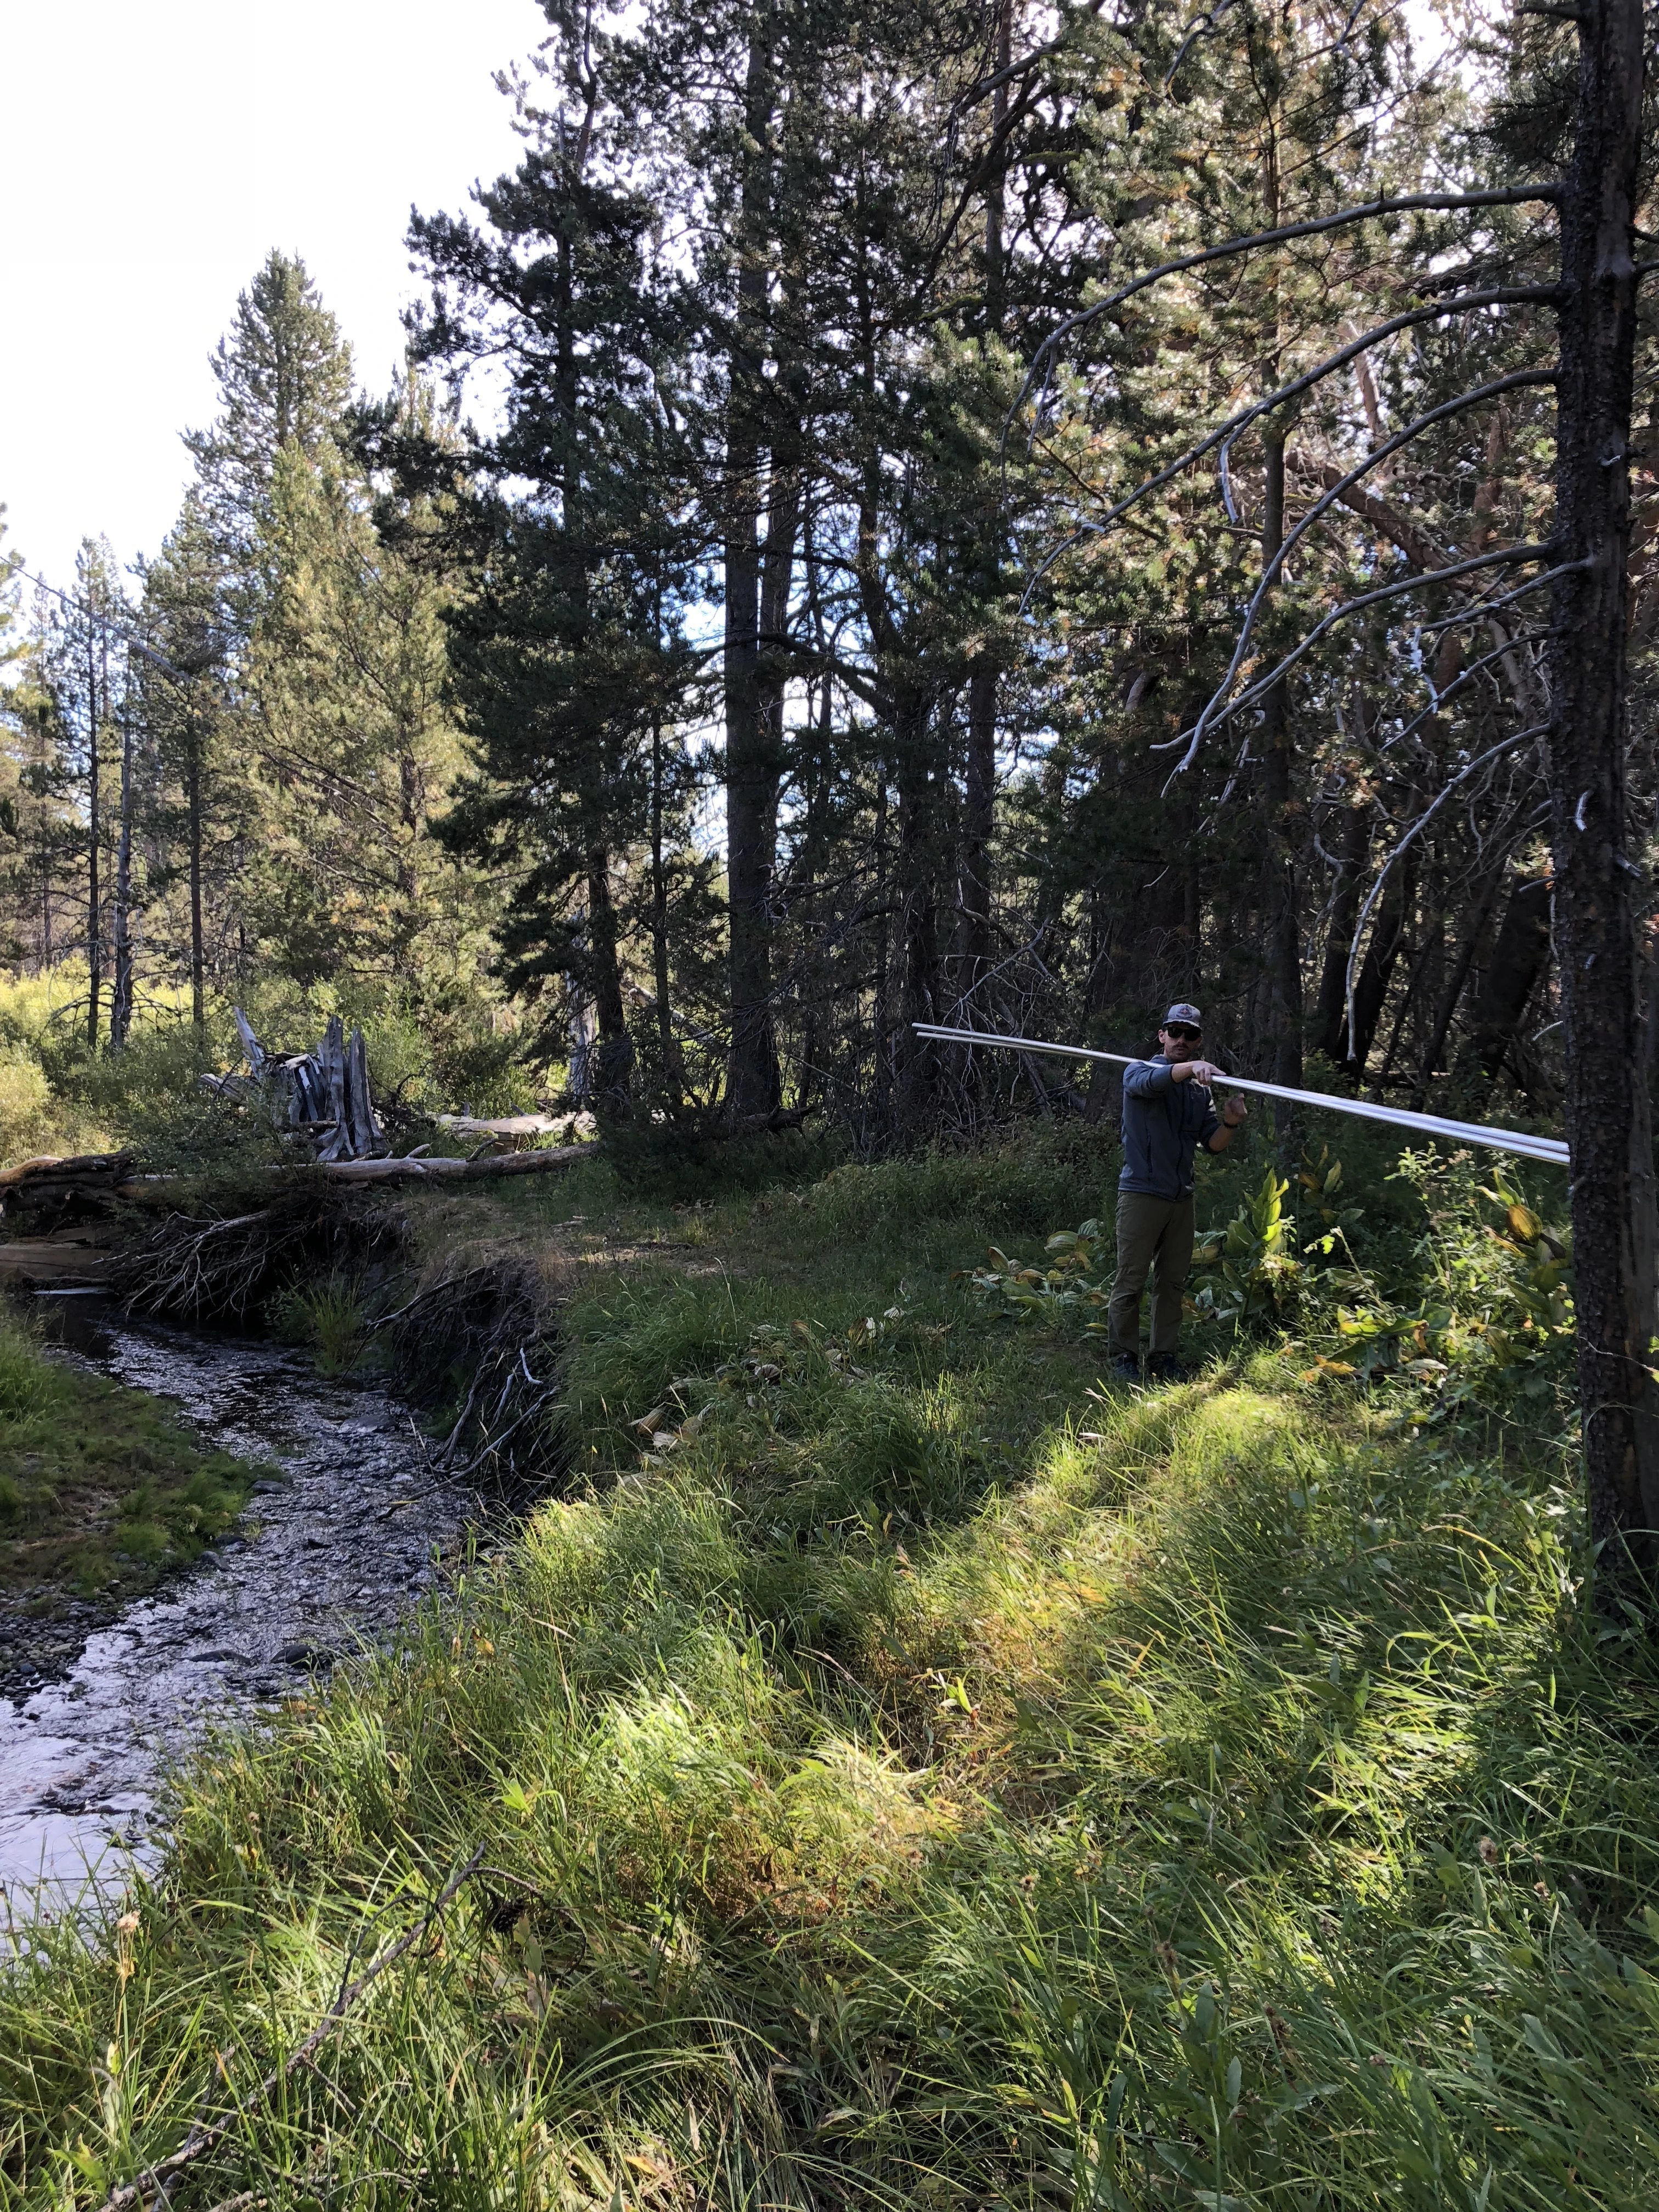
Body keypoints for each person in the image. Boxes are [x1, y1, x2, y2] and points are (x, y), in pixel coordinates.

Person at [1108, 1002, 1246, 1380]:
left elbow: (1212, 1144)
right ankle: (1122, 1356)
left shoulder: (1199, 1093)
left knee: (1172, 1284)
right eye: (1175, 1032)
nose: (1181, 1040)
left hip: (1181, 1199)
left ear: (1198, 1040)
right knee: (1131, 1280)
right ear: (1162, 1035)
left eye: (1190, 1035)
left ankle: (1163, 1357)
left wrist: (1231, 1123)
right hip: (1141, 1194)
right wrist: (1187, 1070)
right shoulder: (1141, 1070)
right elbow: (1149, 1085)